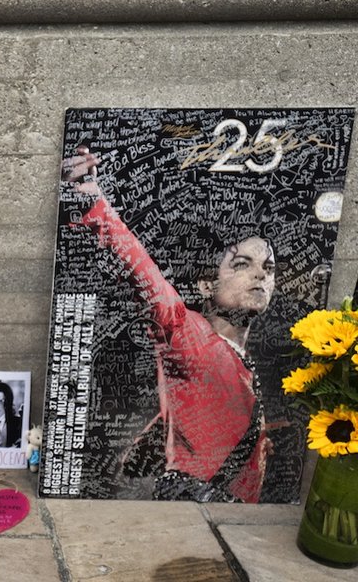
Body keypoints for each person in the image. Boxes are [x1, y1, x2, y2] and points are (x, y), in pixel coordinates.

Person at [63, 147, 272, 503]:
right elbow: (147, 278)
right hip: (199, 518)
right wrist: (94, 203)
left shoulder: (241, 363)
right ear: (206, 285)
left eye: (269, 267)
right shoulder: (190, 335)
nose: (260, 274)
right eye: (241, 264)